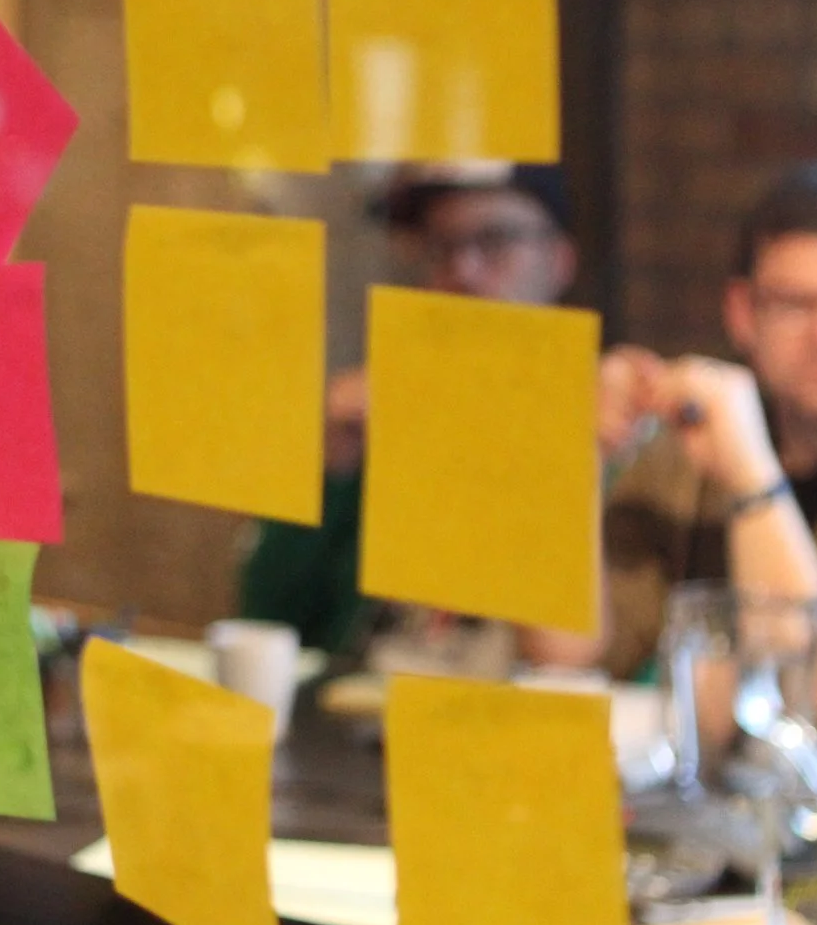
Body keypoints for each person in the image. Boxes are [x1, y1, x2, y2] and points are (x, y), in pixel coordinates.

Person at [559, 160, 817, 729]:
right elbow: (568, 655)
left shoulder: (730, 449)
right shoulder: (681, 456)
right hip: (697, 810)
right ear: (743, 314)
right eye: (795, 305)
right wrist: (573, 458)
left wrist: (750, 475)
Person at [238, 162, 579, 654]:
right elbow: (264, 625)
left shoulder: (608, 434)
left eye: (496, 240)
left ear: (560, 260)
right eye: (442, 248)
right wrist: (325, 468)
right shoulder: (381, 428)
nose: (463, 270)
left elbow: (616, 665)